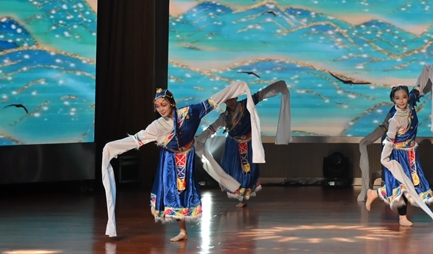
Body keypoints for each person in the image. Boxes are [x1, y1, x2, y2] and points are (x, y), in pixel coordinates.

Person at [99, 79, 262, 241]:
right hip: (168, 161)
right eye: (157, 106)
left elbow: (214, 101)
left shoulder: (190, 113)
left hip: (186, 158)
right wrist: (111, 147)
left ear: (171, 103)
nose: (161, 109)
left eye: (164, 104)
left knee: (182, 193)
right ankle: (183, 231)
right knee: (167, 196)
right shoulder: (157, 126)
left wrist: (235, 88)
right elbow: (137, 139)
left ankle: (183, 231)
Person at [359, 65, 433, 226]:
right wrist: (385, 159)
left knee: (410, 185)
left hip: (411, 154)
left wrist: (428, 71)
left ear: (408, 97)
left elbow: (418, 88)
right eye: (397, 98)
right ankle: (401, 216)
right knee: (401, 186)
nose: (401, 100)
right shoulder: (395, 119)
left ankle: (376, 194)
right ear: (393, 99)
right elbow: (389, 140)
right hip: (397, 154)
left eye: (404, 97)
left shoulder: (411, 103)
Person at [197, 79, 291, 204]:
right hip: (233, 146)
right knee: (233, 171)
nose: (230, 102)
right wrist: (198, 140)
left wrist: (278, 86)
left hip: (248, 143)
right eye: (227, 100)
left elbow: (261, 94)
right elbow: (212, 128)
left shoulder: (247, 105)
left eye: (232, 99)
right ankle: (239, 194)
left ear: (236, 97)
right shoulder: (224, 117)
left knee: (248, 170)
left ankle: (244, 196)